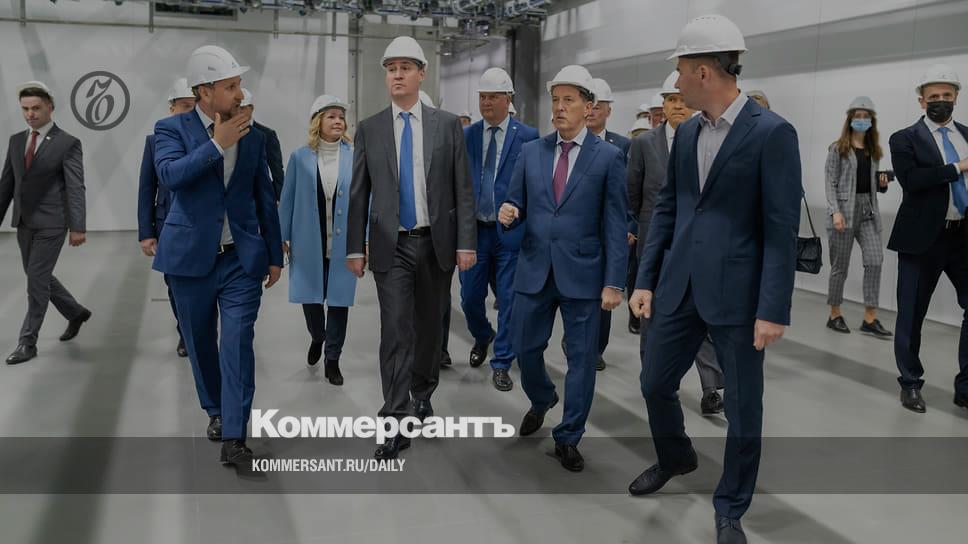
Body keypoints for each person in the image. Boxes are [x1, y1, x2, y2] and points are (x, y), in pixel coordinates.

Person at [627, 15, 801, 543]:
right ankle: (675, 457)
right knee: (654, 382)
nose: (676, 82)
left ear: (704, 72)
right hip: (679, 285)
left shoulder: (772, 133)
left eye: (681, 70)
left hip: (739, 297)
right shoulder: (686, 135)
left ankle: (730, 507)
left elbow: (781, 228)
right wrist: (645, 279)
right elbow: (668, 211)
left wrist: (773, 308)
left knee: (744, 408)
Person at [346, 36, 476, 460]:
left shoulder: (446, 125)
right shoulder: (370, 129)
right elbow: (358, 193)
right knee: (396, 331)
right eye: (391, 69)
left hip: (436, 245)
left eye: (405, 67)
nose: (397, 75)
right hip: (392, 246)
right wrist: (354, 247)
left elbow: (462, 188)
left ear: (422, 74)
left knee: (430, 328)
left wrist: (466, 243)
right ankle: (395, 417)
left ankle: (423, 392)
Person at [153, 45, 283, 468]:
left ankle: (235, 435)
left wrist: (275, 253)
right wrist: (215, 144)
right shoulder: (170, 129)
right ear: (204, 92)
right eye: (230, 86)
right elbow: (170, 175)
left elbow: (264, 196)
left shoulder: (254, 135)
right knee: (200, 344)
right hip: (189, 260)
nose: (240, 93)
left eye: (239, 84)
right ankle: (215, 409)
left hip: (240, 260)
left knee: (237, 343)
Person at [498, 64, 628, 472]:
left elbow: (615, 223)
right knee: (524, 346)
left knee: (582, 360)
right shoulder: (531, 151)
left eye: (568, 100)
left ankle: (569, 436)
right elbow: (515, 202)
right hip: (535, 268)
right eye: (555, 100)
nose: (558, 107)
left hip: (584, 274)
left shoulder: (608, 158)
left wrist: (614, 282)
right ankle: (542, 397)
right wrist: (509, 211)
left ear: (588, 107)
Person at [628, 70, 725, 415]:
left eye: (682, 100)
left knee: (701, 315)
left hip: (696, 247)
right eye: (671, 100)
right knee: (650, 315)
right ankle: (652, 378)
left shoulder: (707, 140)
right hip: (654, 246)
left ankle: (712, 387)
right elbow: (632, 194)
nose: (678, 106)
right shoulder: (644, 144)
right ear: (663, 106)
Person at [888, 63, 968, 414]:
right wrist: (957, 168)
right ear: (921, 101)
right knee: (911, 314)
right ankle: (910, 383)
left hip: (962, 236)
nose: (940, 101)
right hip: (922, 239)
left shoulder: (966, 135)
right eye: (933, 96)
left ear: (956, 97)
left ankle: (965, 388)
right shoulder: (904, 138)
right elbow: (912, 180)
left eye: (946, 95)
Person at [460, 67, 539, 391]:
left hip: (510, 232)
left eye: (493, 97)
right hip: (475, 232)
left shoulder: (528, 137)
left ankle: (502, 361)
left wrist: (524, 216)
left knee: (509, 300)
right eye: (482, 97)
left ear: (508, 99)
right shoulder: (467, 135)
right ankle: (483, 335)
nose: (486, 103)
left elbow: (535, 185)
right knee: (469, 297)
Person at [1, 81, 91, 365]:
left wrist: (78, 226)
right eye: (25, 109)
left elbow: (75, 187)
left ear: (50, 107)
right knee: (37, 275)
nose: (30, 114)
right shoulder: (16, 141)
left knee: (36, 281)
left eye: (36, 108)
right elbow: (6, 184)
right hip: (24, 222)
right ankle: (75, 312)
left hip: (53, 223)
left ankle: (27, 342)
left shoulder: (68, 143)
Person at [279, 95, 359, 385]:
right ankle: (317, 336)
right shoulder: (299, 157)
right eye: (331, 116)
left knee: (339, 302)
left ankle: (332, 359)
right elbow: (287, 199)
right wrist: (282, 236)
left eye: (341, 117)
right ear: (317, 122)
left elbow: (365, 200)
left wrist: (364, 240)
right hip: (307, 242)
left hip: (344, 245)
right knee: (311, 298)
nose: (338, 121)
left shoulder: (355, 156)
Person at [568, 76, 629, 371]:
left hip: (608, 237)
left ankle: (595, 348)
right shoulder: (566, 144)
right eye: (589, 105)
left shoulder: (623, 147)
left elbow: (630, 193)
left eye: (598, 106)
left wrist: (629, 228)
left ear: (608, 110)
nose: (592, 111)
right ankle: (575, 341)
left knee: (603, 299)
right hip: (576, 236)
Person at [824, 96, 892, 338]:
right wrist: (835, 211)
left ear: (871, 121)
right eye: (858, 116)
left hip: (868, 211)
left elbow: (871, 185)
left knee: (875, 261)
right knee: (839, 267)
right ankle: (834, 314)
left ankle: (870, 318)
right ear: (850, 119)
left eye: (866, 116)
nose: (861, 120)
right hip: (843, 211)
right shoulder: (838, 148)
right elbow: (830, 182)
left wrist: (882, 184)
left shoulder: (874, 151)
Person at [137, 77, 196, 359]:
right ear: (171, 108)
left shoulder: (208, 139)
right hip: (167, 225)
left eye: (194, 106)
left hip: (202, 225)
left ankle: (201, 330)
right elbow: (146, 187)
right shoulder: (155, 142)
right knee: (174, 284)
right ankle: (185, 331)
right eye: (184, 106)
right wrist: (146, 232)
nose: (189, 112)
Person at [237, 89, 285, 201]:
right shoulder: (226, 132)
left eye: (242, 108)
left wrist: (281, 199)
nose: (239, 111)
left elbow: (277, 170)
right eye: (236, 107)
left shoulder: (267, 135)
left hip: (259, 197)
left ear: (251, 108)